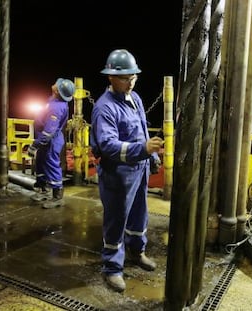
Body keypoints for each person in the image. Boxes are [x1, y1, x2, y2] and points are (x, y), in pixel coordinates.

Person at [90, 49, 164, 292]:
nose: (130, 81)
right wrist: (143, 149)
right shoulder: (105, 108)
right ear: (110, 78)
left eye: (134, 76)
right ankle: (112, 268)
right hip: (118, 175)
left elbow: (142, 129)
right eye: (125, 78)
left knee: (139, 214)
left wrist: (150, 156)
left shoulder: (136, 98)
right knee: (116, 220)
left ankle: (136, 251)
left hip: (139, 170)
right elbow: (109, 146)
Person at [28, 78, 75, 209]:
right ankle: (43, 189)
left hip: (50, 140)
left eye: (57, 84)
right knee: (41, 162)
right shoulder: (54, 101)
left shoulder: (56, 107)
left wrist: (35, 145)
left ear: (57, 91)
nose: (55, 83)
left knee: (52, 165)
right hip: (45, 139)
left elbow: (49, 131)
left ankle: (57, 197)